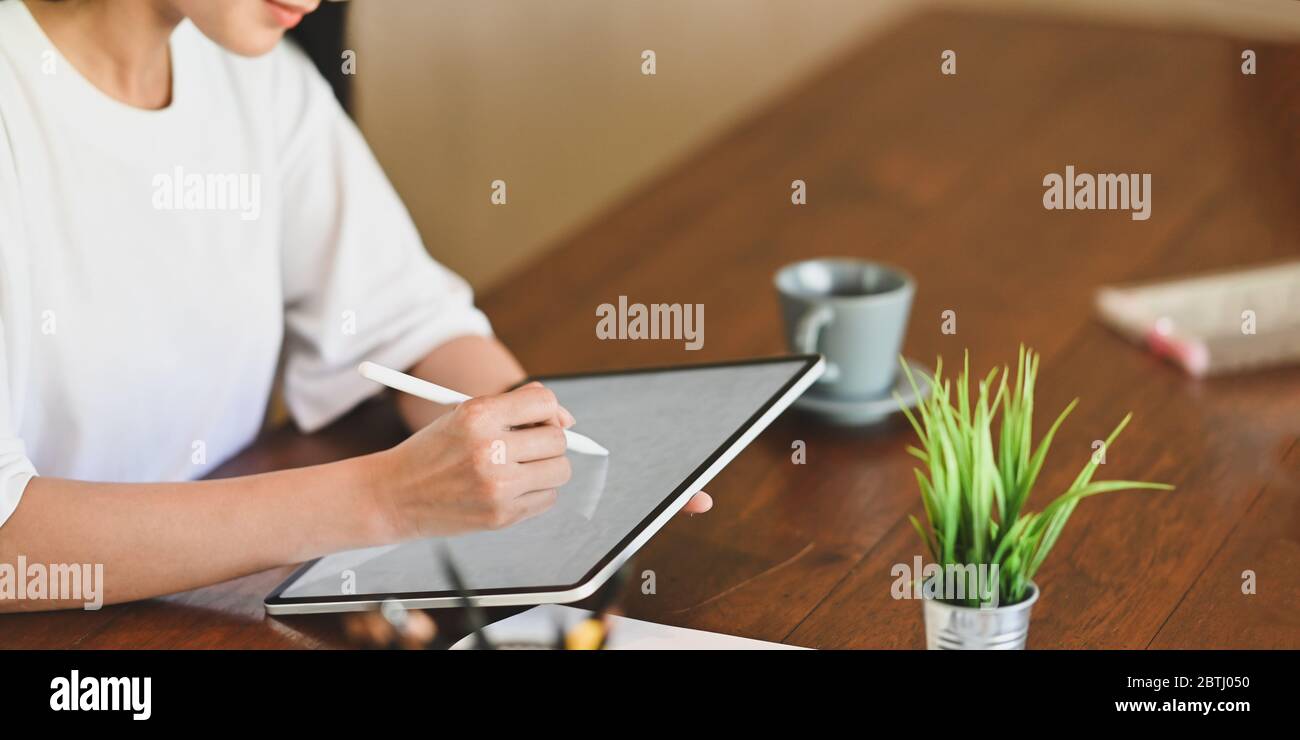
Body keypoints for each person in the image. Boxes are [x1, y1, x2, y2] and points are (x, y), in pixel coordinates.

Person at [0, 0, 710, 611]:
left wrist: (540, 452)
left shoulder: (258, 77)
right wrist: (382, 499)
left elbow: (409, 323)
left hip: (197, 610)